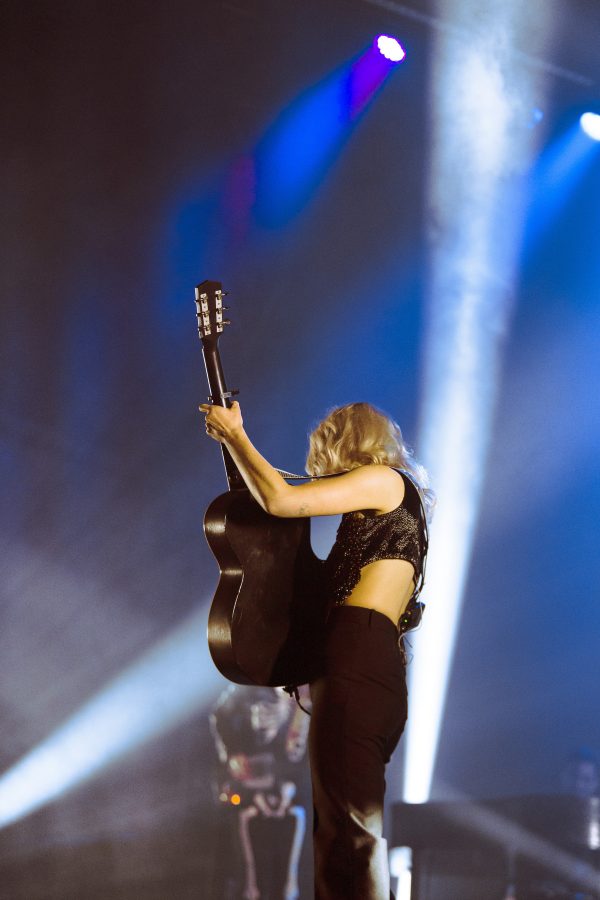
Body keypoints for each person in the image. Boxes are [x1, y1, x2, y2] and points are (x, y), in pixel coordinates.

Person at [200, 400, 433, 900]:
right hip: (364, 659)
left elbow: (281, 500)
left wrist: (236, 436)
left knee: (351, 835)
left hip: (360, 653)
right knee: (341, 830)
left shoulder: (384, 479)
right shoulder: (375, 513)